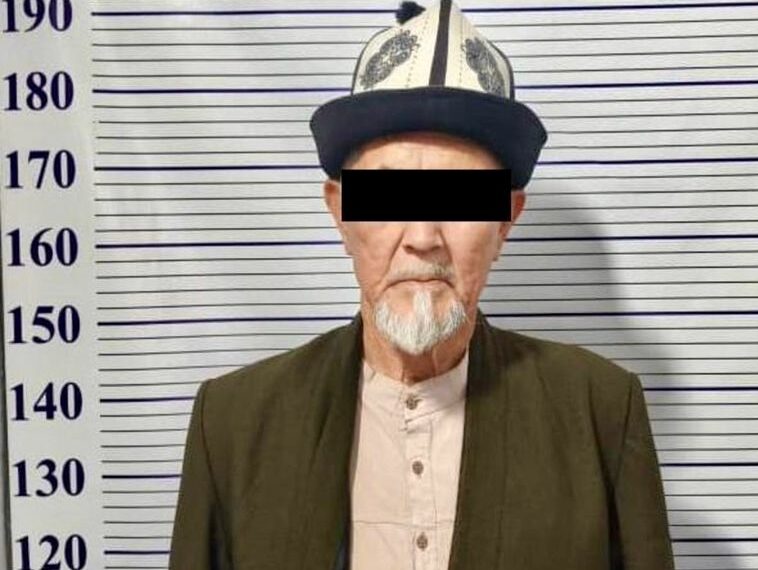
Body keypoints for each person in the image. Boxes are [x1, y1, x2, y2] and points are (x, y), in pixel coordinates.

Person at [169, 1, 675, 569]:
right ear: (340, 212)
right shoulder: (233, 426)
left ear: (505, 221)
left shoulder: (600, 412)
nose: (423, 238)